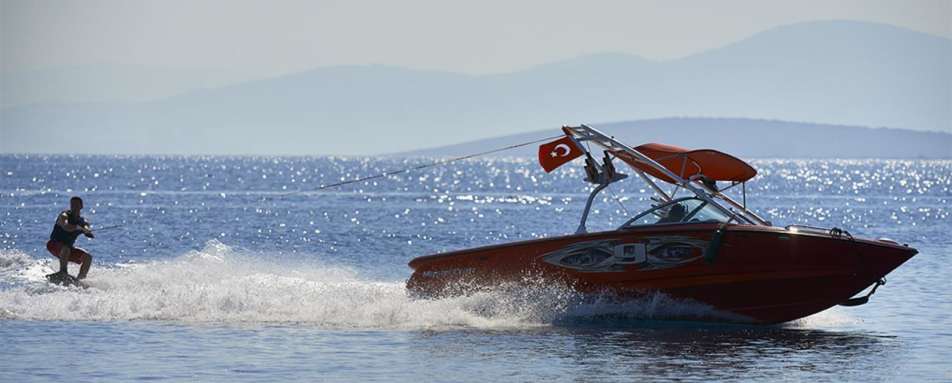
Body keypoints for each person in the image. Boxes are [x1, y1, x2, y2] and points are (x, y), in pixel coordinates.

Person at [46, 196, 94, 281]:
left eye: (76, 205)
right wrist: (78, 228)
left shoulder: (83, 221)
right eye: (72, 205)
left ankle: (80, 279)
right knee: (66, 248)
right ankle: (62, 272)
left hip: (67, 249)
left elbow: (88, 229)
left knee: (88, 257)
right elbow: (66, 226)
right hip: (53, 245)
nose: (74, 207)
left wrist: (87, 231)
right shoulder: (64, 215)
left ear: (81, 206)